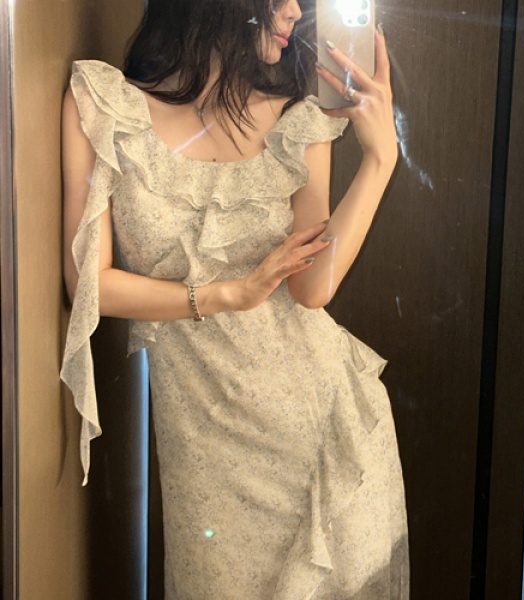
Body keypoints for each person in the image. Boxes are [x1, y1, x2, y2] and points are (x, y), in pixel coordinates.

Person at [61, 0, 409, 597]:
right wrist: (228, 293)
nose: (295, 12)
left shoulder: (298, 120)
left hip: (323, 441)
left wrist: (381, 159)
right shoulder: (105, 106)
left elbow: (312, 288)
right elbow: (87, 284)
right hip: (205, 460)